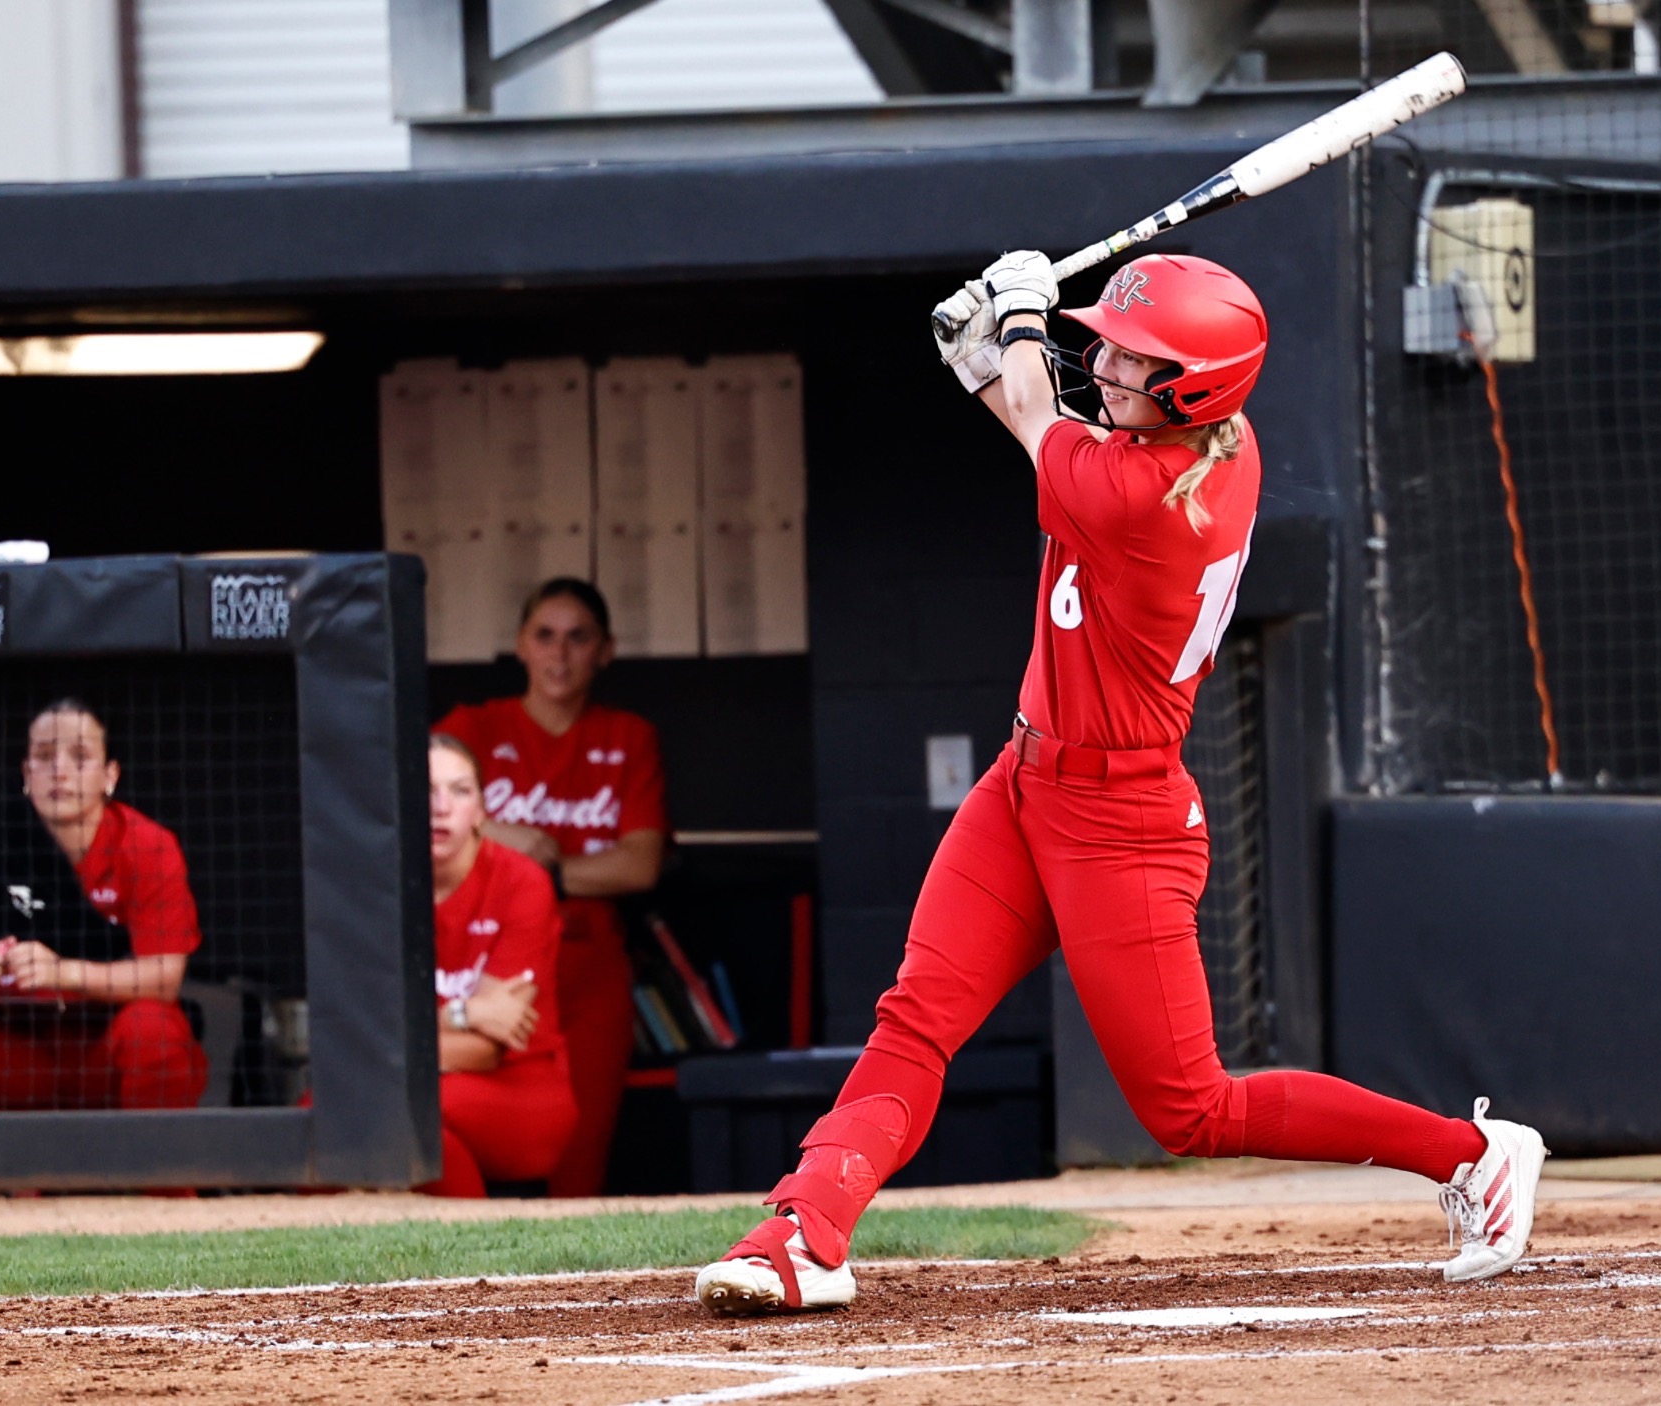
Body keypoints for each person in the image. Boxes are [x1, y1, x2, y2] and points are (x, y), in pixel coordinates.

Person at [691, 251, 1544, 1317]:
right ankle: (801, 1230)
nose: (1105, 360)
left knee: (1191, 1109)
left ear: (1191, 389)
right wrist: (995, 356)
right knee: (914, 1017)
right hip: (1025, 783)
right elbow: (1048, 427)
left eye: (1134, 357)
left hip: (1121, 820)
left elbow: (1050, 427)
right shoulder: (1185, 447)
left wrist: (1012, 324)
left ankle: (1473, 1153)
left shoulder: (1155, 505)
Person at [436, 579, 666, 1197]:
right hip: (482, 957)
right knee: (447, 1108)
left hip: (586, 962)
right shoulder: (473, 728)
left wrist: (547, 864)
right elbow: (413, 819)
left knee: (578, 1153)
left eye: (578, 637)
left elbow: (639, 865)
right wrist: (502, 830)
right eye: (545, 635)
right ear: (520, 645)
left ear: (605, 650)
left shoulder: (628, 736)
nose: (559, 653)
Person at [0, 698, 208, 1112]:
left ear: (110, 776)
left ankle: (161, 1177)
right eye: (43, 757)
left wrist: (62, 972)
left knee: (155, 1029)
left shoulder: (148, 845)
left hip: (102, 1052)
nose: (59, 770)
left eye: (79, 757)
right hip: (14, 1057)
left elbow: (164, 978)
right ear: (26, 774)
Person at [420, 734, 575, 1198]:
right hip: (425, 1091)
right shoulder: (373, 889)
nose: (441, 806)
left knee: (382, 1113)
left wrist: (394, 1048)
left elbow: (486, 1046)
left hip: (520, 1088)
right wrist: (460, 1013)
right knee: (321, 1114)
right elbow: (363, 1037)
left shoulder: (521, 881)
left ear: (483, 811)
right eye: (426, 791)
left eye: (460, 790)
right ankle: (474, 1257)